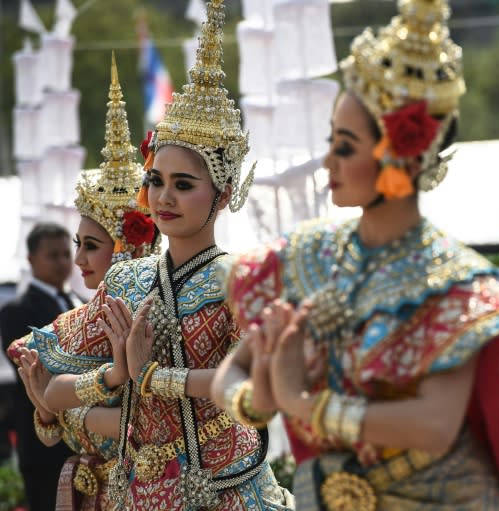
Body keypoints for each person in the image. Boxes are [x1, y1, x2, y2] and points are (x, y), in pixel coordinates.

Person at [211, 0, 499, 509]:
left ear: (396, 155)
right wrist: (258, 398)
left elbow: (434, 424)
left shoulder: (452, 283)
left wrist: (303, 402)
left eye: (345, 146)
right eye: (331, 141)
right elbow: (232, 372)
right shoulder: (305, 257)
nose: (328, 161)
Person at [32, 2, 293, 509]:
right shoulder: (126, 280)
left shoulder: (242, 280)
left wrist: (154, 377)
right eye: (156, 181)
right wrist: (114, 375)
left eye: (183, 184)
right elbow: (48, 381)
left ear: (222, 194)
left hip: (226, 489)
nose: (165, 197)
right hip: (140, 490)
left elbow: (257, 391)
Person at [7, 53, 158, 511]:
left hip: (149, 488)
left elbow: (150, 426)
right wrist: (63, 410)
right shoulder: (77, 319)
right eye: (77, 243)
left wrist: (64, 408)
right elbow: (51, 426)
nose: (77, 259)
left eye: (91, 245)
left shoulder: (162, 305)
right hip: (91, 488)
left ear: (129, 243)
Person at [0, 222, 78, 511]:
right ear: (32, 259)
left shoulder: (81, 302)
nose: (62, 262)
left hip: (87, 440)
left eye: (65, 254)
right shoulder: (17, 311)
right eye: (52, 255)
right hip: (44, 444)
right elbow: (36, 368)